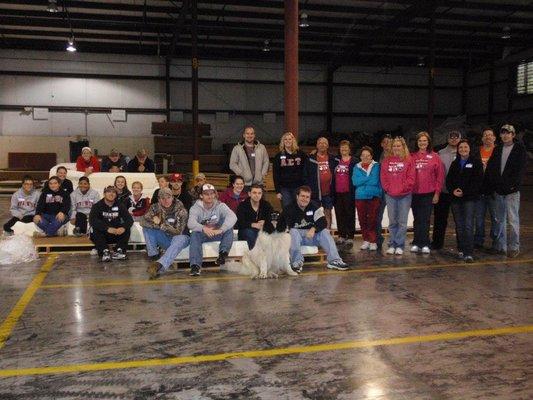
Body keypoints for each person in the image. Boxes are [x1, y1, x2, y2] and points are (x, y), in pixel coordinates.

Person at [276, 185, 348, 272]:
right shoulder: (288, 209)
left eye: (307, 197)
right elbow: (279, 227)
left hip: (312, 235)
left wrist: (314, 228)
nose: (305, 199)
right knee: (293, 231)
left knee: (324, 231)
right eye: (302, 196)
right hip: (296, 237)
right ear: (297, 196)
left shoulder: (314, 206)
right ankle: (296, 262)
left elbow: (323, 222)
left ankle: (334, 260)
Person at [484, 124, 528, 258]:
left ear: (513, 135)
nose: (505, 135)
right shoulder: (497, 150)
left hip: (512, 192)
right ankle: (501, 246)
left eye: (508, 133)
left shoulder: (520, 150)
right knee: (499, 220)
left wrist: (513, 187)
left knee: (513, 220)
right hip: (498, 191)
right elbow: (491, 169)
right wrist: (491, 187)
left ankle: (514, 247)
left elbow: (520, 171)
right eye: (503, 133)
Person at [187, 183, 237, 276]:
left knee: (229, 227)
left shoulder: (220, 205)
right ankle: (195, 266)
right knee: (194, 233)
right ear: (201, 196)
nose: (209, 196)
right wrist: (203, 228)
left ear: (215, 194)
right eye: (206, 194)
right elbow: (190, 223)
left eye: (211, 193)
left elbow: (233, 217)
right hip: (204, 234)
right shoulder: (195, 208)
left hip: (216, 232)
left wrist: (221, 229)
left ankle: (223, 254)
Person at [446, 139, 484, 262]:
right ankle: (461, 249)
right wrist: (453, 191)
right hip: (456, 199)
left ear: (470, 148)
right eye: (460, 147)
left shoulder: (476, 163)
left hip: (469, 199)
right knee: (459, 225)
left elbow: (477, 182)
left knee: (468, 225)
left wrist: (465, 192)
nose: (463, 149)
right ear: (458, 150)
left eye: (465, 147)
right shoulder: (455, 163)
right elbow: (449, 180)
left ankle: (469, 252)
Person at [142, 188, 190, 279]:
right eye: (162, 198)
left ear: (172, 197)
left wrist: (160, 224)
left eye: (168, 197)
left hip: (181, 238)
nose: (166, 200)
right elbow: (143, 221)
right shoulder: (155, 207)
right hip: (166, 239)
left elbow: (178, 232)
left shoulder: (181, 210)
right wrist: (154, 222)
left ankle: (159, 265)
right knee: (147, 229)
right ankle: (154, 256)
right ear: (159, 199)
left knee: (179, 238)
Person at [410, 131, 444, 254]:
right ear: (417, 143)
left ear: (428, 142)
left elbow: (439, 177)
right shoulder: (412, 156)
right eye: (420, 141)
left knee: (425, 219)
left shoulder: (435, 156)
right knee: (416, 218)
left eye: (424, 141)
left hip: (428, 193)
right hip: (414, 193)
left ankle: (425, 243)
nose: (422, 143)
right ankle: (416, 242)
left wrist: (437, 193)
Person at [380, 137, 415, 255]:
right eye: (394, 146)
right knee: (392, 221)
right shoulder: (386, 161)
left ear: (403, 147)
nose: (396, 148)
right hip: (390, 195)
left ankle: (400, 245)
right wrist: (388, 188)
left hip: (404, 195)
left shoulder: (409, 160)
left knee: (402, 221)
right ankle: (392, 243)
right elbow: (383, 177)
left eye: (398, 146)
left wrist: (402, 188)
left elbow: (411, 178)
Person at [431, 130, 461, 250]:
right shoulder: (440, 153)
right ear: (447, 139)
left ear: (460, 138)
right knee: (440, 219)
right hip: (443, 191)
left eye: (456, 137)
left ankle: (462, 244)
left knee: (459, 220)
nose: (454, 139)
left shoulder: (464, 151)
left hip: (459, 193)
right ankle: (437, 243)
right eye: (451, 137)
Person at [89, 186, 133, 262]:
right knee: (95, 229)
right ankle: (104, 252)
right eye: (109, 192)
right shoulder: (97, 206)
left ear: (116, 195)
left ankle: (119, 251)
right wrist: (107, 229)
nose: (111, 194)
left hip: (115, 233)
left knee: (126, 228)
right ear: (104, 194)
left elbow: (129, 219)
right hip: (103, 233)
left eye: (113, 192)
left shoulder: (120, 205)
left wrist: (123, 227)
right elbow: (92, 220)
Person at [353, 146, 382, 251]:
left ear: (371, 156)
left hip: (374, 196)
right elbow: (355, 182)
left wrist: (363, 179)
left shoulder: (377, 166)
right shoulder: (356, 167)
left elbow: (374, 180)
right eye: (363, 155)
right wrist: (367, 179)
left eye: (368, 155)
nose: (365, 157)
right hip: (360, 196)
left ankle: (373, 240)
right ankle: (366, 240)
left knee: (372, 219)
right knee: (362, 219)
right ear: (360, 156)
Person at [474, 128, 497, 250]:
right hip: (480, 192)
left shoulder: (498, 151)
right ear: (482, 138)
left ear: (494, 138)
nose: (488, 137)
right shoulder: (477, 151)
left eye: (490, 135)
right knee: (479, 219)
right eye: (485, 135)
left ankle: (496, 242)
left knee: (496, 219)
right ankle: (478, 241)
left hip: (494, 192)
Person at [306, 137, 337, 228]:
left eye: (324, 143)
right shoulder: (310, 159)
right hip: (315, 192)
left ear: (327, 146)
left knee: (327, 212)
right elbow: (305, 175)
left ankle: (326, 233)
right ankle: (316, 233)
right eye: (320, 143)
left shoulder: (333, 159)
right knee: (315, 213)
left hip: (328, 192)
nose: (322, 145)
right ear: (316, 145)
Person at [272, 132, 307, 209]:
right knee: (287, 209)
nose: (288, 141)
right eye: (285, 139)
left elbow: (306, 168)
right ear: (283, 141)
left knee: (299, 208)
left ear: (293, 141)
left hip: (298, 187)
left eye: (290, 139)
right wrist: (277, 191)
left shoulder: (301, 154)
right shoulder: (278, 156)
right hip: (284, 188)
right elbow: (276, 174)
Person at [236, 184, 275, 249]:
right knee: (250, 233)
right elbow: (239, 223)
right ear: (249, 194)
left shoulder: (266, 205)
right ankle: (254, 255)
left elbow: (272, 218)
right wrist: (252, 224)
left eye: (259, 193)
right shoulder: (242, 205)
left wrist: (265, 222)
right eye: (254, 193)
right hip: (246, 231)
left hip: (262, 230)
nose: (257, 195)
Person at [332, 140, 356, 245]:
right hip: (337, 192)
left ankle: (350, 236)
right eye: (342, 148)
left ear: (349, 149)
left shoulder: (354, 161)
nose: (344, 149)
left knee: (349, 214)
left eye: (346, 148)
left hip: (349, 192)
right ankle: (341, 235)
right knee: (339, 214)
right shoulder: (336, 160)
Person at [375, 134, 391, 249]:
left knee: (394, 216)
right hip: (379, 190)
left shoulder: (396, 156)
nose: (387, 144)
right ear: (381, 144)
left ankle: (394, 240)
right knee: (378, 215)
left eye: (389, 142)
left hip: (391, 190)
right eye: (384, 142)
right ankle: (377, 237)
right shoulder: (376, 156)